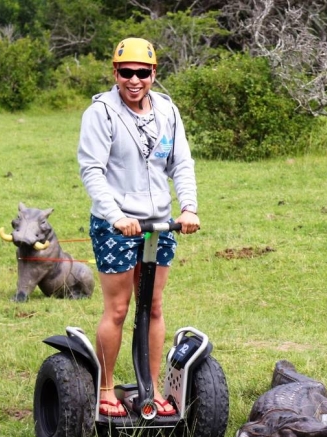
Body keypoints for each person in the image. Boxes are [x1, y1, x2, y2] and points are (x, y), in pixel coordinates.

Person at [77, 37, 200, 418]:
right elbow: (92, 170)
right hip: (116, 224)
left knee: (154, 305)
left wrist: (189, 208)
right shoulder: (101, 113)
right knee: (118, 308)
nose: (134, 80)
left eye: (142, 73)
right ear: (115, 73)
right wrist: (116, 216)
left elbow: (181, 163)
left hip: (160, 224)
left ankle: (150, 388)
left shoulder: (167, 111)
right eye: (126, 72)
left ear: (153, 74)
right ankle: (105, 389)